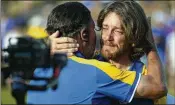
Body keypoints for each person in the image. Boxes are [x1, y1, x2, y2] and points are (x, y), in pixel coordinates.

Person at [27, 1, 167, 104]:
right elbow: (157, 86)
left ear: (134, 37)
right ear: (84, 35)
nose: (106, 37)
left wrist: (44, 49)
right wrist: (150, 43)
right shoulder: (94, 70)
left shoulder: (39, 68)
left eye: (117, 30)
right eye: (103, 28)